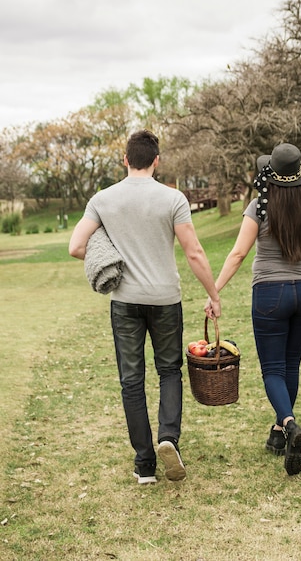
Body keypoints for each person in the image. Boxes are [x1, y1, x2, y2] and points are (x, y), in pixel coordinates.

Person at [69, 129, 221, 484]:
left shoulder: (103, 200)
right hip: (166, 299)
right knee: (169, 371)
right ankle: (168, 438)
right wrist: (213, 294)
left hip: (124, 301)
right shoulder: (173, 199)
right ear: (156, 160)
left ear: (125, 160)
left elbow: (77, 246)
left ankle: (144, 465)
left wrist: (109, 252)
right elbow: (194, 252)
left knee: (131, 381)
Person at [205, 143, 301, 476]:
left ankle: (287, 424)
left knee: (273, 369)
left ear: (272, 176)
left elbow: (238, 254)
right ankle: (278, 432)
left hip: (271, 295)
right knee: (291, 364)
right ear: (300, 178)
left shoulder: (259, 206)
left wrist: (215, 292)